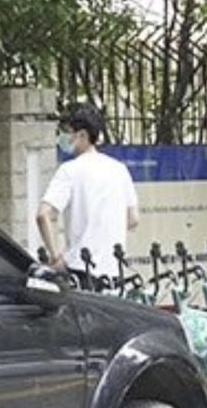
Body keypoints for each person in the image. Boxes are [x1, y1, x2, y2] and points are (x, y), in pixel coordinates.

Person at [36, 102, 139, 286]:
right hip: (115, 272)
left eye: (66, 131)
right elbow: (133, 219)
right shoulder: (118, 169)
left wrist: (56, 257)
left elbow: (43, 215)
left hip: (80, 271)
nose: (61, 137)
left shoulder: (69, 171)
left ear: (82, 135)